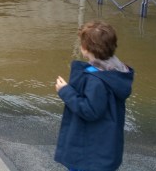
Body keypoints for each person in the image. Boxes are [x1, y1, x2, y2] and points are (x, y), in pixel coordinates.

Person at [54, 21, 134, 171]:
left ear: (85, 49)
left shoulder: (96, 79)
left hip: (90, 151)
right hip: (107, 147)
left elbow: (90, 110)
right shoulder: (117, 71)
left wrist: (65, 91)